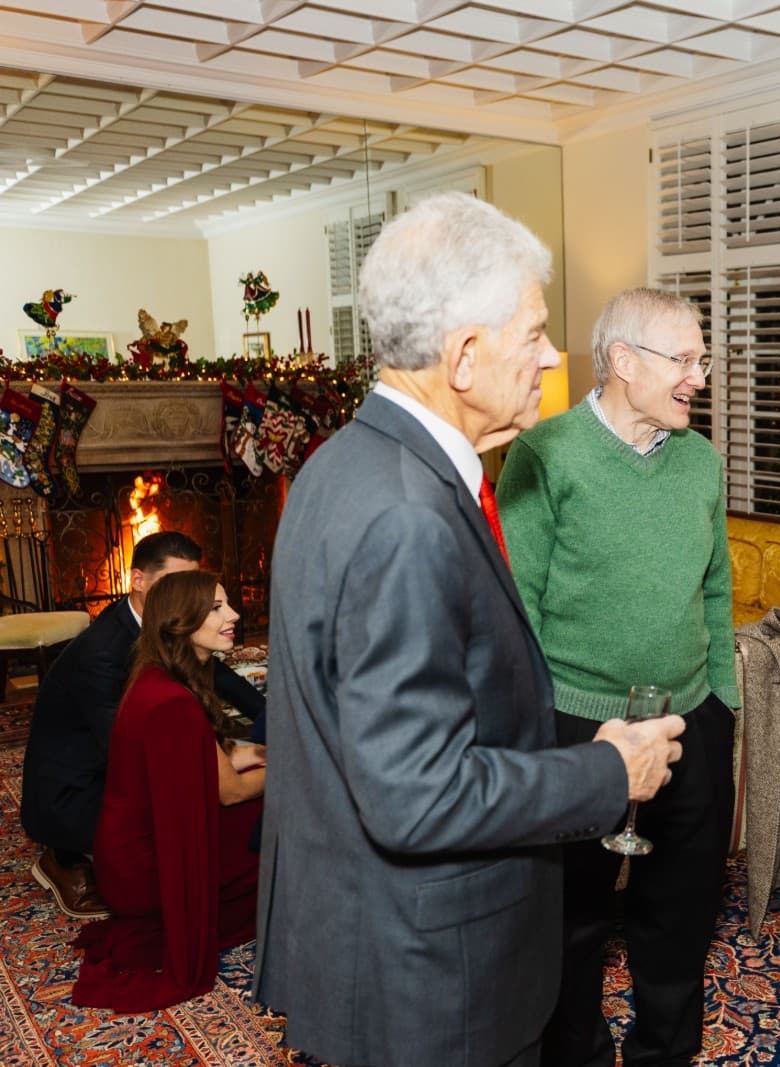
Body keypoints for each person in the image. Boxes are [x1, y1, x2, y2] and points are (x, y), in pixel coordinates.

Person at [253, 194, 685, 1067]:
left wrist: (567, 742)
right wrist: (607, 769)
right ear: (463, 355)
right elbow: (415, 795)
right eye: (531, 332)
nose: (549, 356)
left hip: (375, 935)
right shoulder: (409, 514)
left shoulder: (343, 463)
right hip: (433, 976)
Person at [498, 286, 739, 1067]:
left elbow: (717, 588)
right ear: (623, 360)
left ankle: (664, 1056)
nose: (700, 375)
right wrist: (540, 734)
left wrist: (725, 708)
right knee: (572, 921)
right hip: (579, 726)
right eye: (686, 359)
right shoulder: (545, 454)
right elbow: (516, 608)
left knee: (681, 917)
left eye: (704, 358)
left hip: (691, 724)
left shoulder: (701, 460)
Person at [22, 530, 266, 920]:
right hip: (76, 794)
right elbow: (121, 753)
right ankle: (65, 857)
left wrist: (272, 721)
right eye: (175, 583)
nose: (189, 596)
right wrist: (223, 771)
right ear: (138, 580)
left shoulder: (171, 626)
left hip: (119, 765)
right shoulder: (101, 653)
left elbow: (218, 675)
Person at [70, 570, 264, 1011]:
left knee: (270, 798)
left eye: (228, 604)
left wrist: (250, 756)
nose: (234, 615)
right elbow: (230, 793)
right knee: (288, 815)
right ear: (181, 622)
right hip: (146, 871)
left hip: (123, 857)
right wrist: (298, 769)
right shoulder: (174, 701)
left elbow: (197, 764)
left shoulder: (157, 678)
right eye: (216, 608)